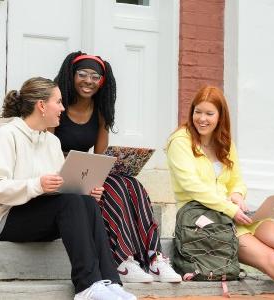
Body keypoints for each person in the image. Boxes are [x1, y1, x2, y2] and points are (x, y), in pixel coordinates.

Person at [0, 77, 136, 300]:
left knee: (85, 201)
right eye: (59, 102)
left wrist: (85, 190)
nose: (63, 108)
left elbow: (62, 187)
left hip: (41, 215)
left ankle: (111, 281)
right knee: (72, 202)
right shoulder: (7, 135)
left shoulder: (52, 142)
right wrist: (37, 184)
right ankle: (87, 287)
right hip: (7, 219)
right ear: (42, 106)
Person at [53, 51, 181, 283]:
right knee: (112, 190)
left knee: (130, 184)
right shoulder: (57, 108)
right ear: (71, 75)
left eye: (95, 77)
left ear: (102, 81)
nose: (89, 81)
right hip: (58, 173)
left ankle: (154, 258)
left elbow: (101, 156)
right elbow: (46, 149)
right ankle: (122, 261)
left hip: (83, 170)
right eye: (82, 74)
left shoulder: (100, 111)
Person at [166, 85, 274, 288]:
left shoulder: (225, 142)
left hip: (233, 212)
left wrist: (237, 194)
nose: (202, 118)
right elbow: (192, 186)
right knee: (270, 257)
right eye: (197, 112)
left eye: (209, 113)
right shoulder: (180, 141)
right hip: (204, 219)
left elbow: (237, 180)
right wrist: (231, 209)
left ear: (220, 116)